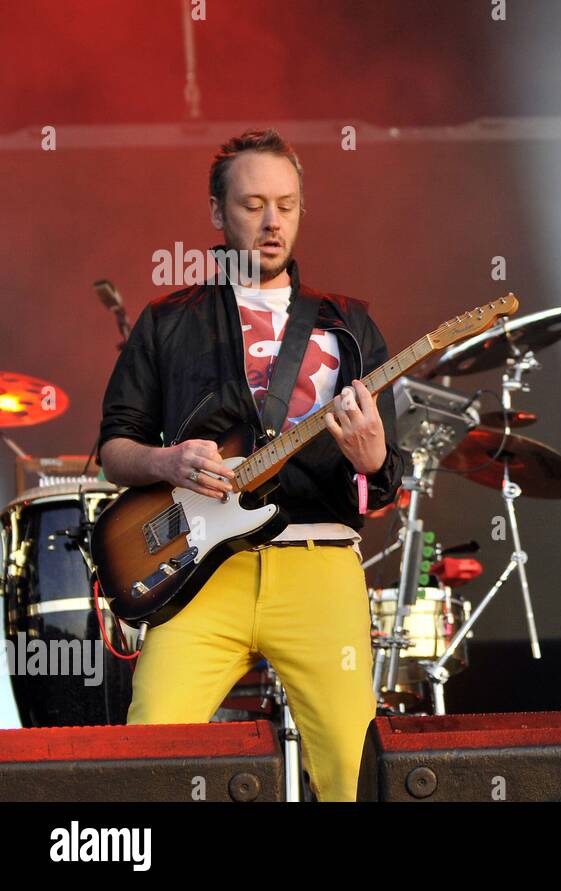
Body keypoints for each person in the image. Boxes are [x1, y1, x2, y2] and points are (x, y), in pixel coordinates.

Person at [96, 128, 404, 801]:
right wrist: (167, 458)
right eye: (253, 204)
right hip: (202, 573)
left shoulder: (349, 322)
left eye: (287, 205)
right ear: (216, 212)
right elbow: (114, 448)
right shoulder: (167, 319)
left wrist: (373, 457)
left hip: (318, 563)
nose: (272, 223)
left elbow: (388, 480)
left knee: (357, 776)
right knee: (145, 766)